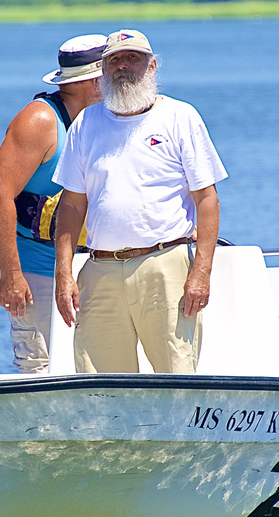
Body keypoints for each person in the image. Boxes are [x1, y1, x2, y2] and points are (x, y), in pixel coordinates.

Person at [52, 29, 226, 374]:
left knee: (176, 378)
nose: (123, 67)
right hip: (100, 269)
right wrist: (63, 273)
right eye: (114, 60)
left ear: (152, 66)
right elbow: (71, 206)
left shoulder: (180, 116)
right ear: (102, 71)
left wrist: (201, 273)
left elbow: (207, 199)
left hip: (165, 265)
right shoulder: (86, 123)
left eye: (133, 58)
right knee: (101, 386)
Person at [0, 34, 106, 373]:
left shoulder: (105, 120)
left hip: (94, 268)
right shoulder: (40, 120)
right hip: (36, 271)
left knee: (96, 366)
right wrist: (11, 275)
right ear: (95, 81)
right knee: (41, 367)